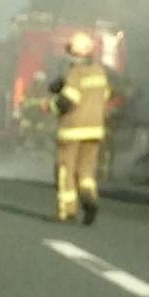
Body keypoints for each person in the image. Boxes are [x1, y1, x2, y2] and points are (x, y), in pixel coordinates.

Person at [50, 31, 113, 225]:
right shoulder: (99, 71)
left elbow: (68, 100)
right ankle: (89, 198)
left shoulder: (75, 72)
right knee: (86, 171)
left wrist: (50, 104)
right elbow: (105, 95)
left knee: (65, 169)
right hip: (95, 130)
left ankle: (67, 211)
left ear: (74, 52)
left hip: (72, 129)